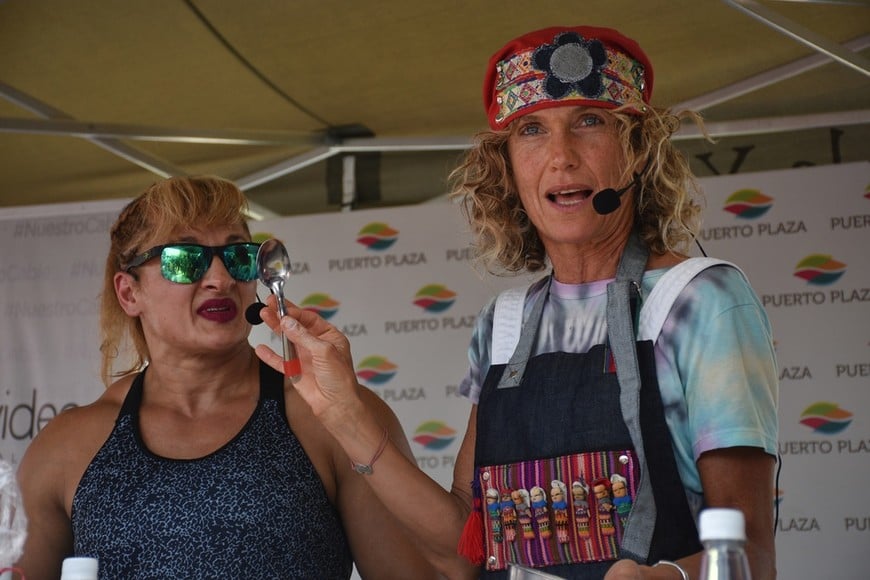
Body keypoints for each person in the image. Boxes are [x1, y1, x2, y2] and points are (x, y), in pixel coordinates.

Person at [253, 25, 778, 579]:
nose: (561, 156)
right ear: (506, 168)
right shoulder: (504, 324)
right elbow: (463, 551)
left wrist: (662, 577)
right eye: (531, 130)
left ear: (638, 152)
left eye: (589, 122)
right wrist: (344, 416)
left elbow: (750, 557)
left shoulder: (700, 300)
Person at [14, 176, 438, 579]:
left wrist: (351, 420)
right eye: (185, 260)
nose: (220, 279)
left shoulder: (330, 417)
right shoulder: (67, 445)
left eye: (238, 257)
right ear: (129, 293)